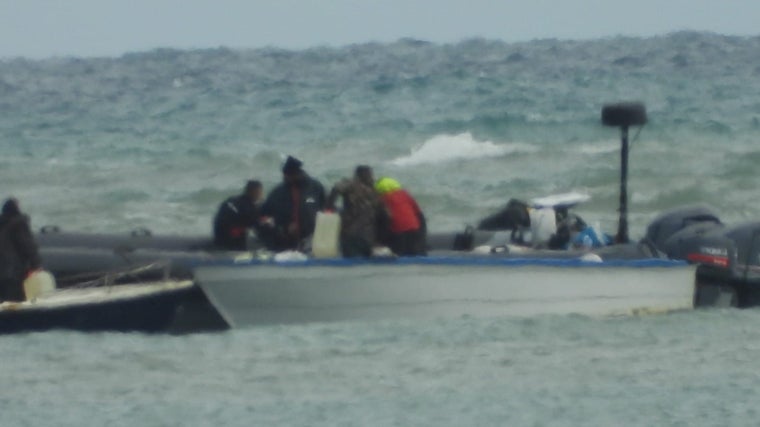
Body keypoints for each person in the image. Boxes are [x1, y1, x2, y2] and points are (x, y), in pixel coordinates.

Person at [261, 156, 326, 251]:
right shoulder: (277, 192)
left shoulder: (315, 187)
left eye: (289, 175)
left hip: (311, 238)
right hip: (284, 240)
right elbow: (264, 216)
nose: (286, 178)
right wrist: (283, 228)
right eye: (285, 175)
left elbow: (325, 209)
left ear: (297, 173)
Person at [326, 165, 387, 258]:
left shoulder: (356, 185)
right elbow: (383, 213)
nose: (371, 177)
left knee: (352, 261)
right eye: (369, 174)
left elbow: (336, 189)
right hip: (363, 235)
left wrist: (330, 206)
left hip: (354, 234)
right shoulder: (372, 190)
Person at [0, 198, 42, 302]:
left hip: (2, 274)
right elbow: (28, 246)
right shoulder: (19, 224)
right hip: (15, 273)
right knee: (16, 305)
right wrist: (36, 265)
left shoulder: (3, 225)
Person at [374, 177, 427, 256]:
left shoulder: (381, 199)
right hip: (414, 230)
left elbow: (382, 220)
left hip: (397, 233)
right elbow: (419, 215)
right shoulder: (405, 194)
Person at [213, 180, 269, 251]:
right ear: (254, 191)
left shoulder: (234, 200)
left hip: (218, 235)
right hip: (230, 239)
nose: (261, 195)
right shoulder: (248, 207)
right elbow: (258, 226)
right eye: (260, 192)